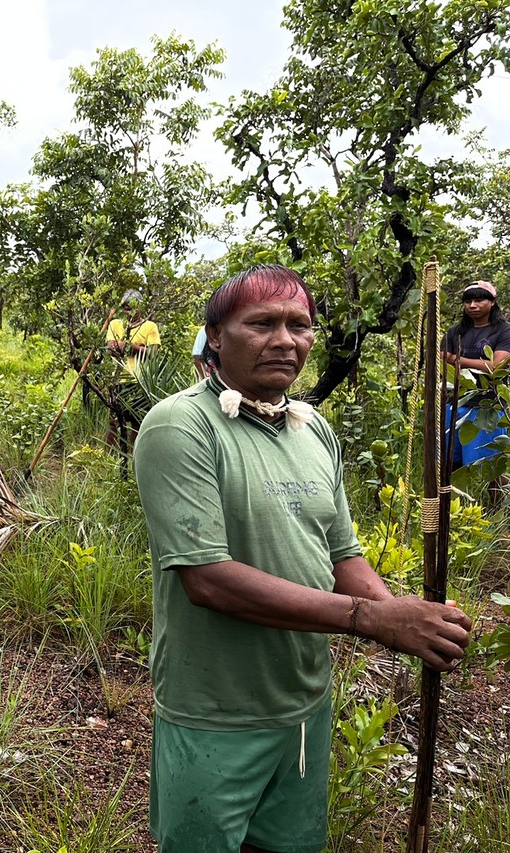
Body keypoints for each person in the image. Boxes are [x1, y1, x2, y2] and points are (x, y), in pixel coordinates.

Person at [134, 264, 471, 853]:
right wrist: (369, 620)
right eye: (261, 323)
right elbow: (208, 579)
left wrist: (406, 620)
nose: (285, 340)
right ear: (215, 335)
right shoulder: (180, 426)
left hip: (304, 708)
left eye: (300, 325)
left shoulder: (313, 429)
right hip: (214, 713)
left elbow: (344, 554)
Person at [442, 280, 510, 501]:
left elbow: (496, 367)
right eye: (468, 301)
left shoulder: (504, 330)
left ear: (492, 302)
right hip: (455, 405)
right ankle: (452, 509)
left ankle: (497, 513)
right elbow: (441, 362)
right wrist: (475, 363)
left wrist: (457, 360)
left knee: (493, 465)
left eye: (479, 299)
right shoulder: (454, 333)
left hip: (489, 407)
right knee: (451, 462)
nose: (472, 305)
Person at [105, 288, 160, 448]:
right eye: (126, 309)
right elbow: (111, 349)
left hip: (140, 381)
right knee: (114, 422)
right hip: (118, 380)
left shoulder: (150, 327)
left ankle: (135, 458)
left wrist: (128, 346)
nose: (129, 313)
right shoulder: (115, 324)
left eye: (132, 309)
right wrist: (139, 348)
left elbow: (153, 353)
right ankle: (109, 458)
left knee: (138, 422)